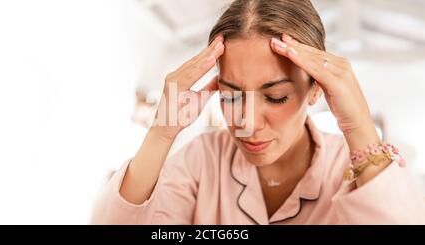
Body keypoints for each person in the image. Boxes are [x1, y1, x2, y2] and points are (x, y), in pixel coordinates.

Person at [91, 0, 425, 224]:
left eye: (276, 97)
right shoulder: (202, 160)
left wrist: (360, 127)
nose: (247, 124)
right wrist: (160, 133)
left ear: (316, 89)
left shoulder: (348, 169)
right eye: (230, 96)